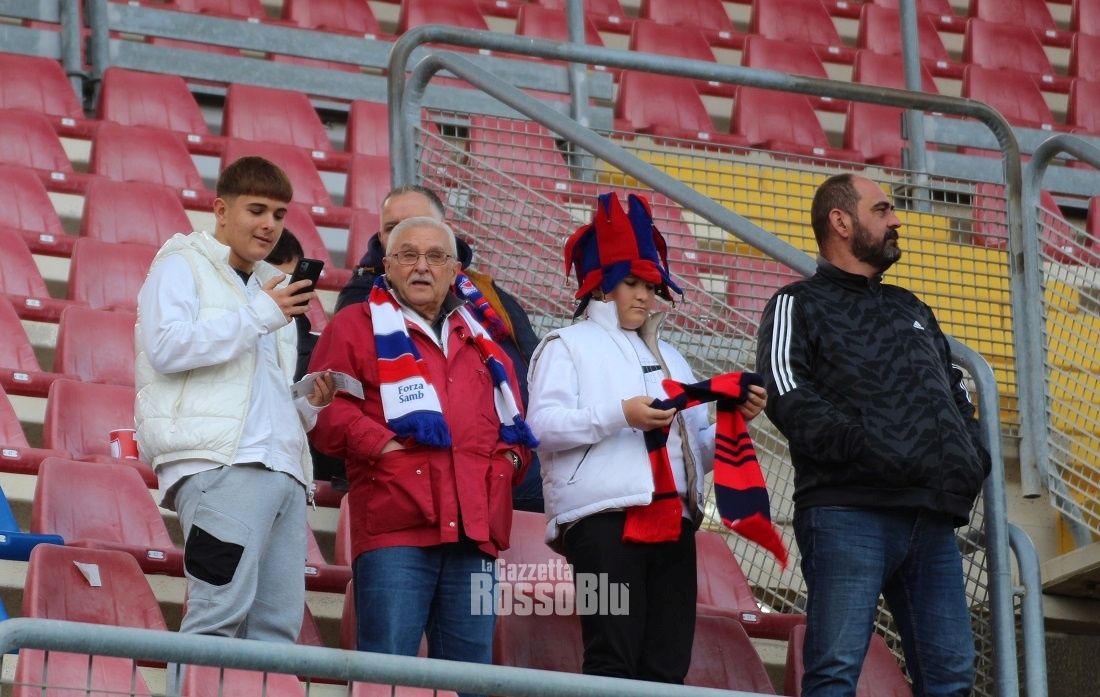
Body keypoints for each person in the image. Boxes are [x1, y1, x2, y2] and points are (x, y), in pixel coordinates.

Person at [755, 174, 990, 697]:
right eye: (882, 210)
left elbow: (957, 394)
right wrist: (867, 449)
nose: (896, 220)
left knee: (952, 680)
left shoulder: (912, 307)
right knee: (835, 673)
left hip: (930, 517)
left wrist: (971, 457)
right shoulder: (797, 303)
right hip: (848, 511)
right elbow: (786, 391)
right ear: (840, 221)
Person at [526, 192, 768, 684]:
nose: (644, 296)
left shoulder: (673, 357)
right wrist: (620, 415)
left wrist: (733, 422)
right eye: (631, 283)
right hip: (598, 524)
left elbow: (692, 454)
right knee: (610, 657)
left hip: (675, 522)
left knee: (667, 668)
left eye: (651, 286)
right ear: (601, 285)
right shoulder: (564, 345)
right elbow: (540, 428)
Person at [307, 216, 535, 691]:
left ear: (455, 270)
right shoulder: (354, 325)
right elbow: (326, 414)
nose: (422, 266)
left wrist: (508, 463)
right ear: (387, 265)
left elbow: (515, 428)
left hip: (474, 534)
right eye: (408, 255)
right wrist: (384, 447)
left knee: (469, 680)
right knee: (388, 678)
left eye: (435, 256)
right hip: (395, 528)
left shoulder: (483, 339)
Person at [135, 156, 335, 648]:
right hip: (220, 466)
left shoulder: (270, 287)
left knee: (276, 634)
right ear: (221, 210)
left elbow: (255, 392)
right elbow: (166, 347)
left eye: (279, 214)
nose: (269, 224)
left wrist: (307, 403)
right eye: (257, 210)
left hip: (282, 469)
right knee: (215, 620)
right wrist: (260, 314)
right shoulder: (181, 264)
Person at [334, 184, 545, 512]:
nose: (406, 234)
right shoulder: (360, 303)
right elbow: (338, 406)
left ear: (445, 232)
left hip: (504, 472)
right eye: (392, 227)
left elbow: (532, 371)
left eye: (417, 222)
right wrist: (389, 452)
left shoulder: (485, 292)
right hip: (411, 486)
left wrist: (511, 459)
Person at [264, 229, 316, 381]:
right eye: (278, 281)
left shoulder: (316, 349)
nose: (286, 289)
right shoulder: (234, 328)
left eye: (292, 279)